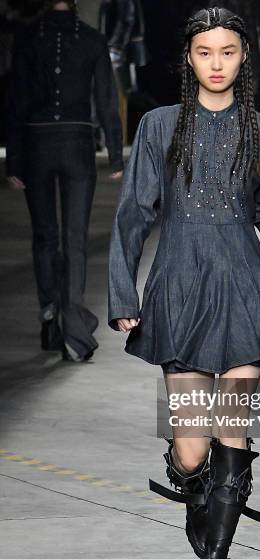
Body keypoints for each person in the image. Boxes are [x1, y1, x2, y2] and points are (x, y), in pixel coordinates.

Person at [108, 6, 260, 559]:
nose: (217, 63)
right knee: (191, 448)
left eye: (227, 51)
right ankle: (203, 528)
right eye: (205, 52)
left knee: (233, 430)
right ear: (189, 59)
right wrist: (124, 293)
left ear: (243, 56)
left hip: (243, 291)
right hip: (180, 288)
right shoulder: (159, 126)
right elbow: (132, 216)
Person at [6, 0, 124, 362]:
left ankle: (49, 318)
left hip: (37, 143)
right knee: (75, 241)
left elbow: (16, 100)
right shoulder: (91, 39)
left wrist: (14, 159)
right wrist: (117, 154)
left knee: (45, 236)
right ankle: (73, 329)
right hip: (77, 144)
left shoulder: (27, 37)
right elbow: (105, 98)